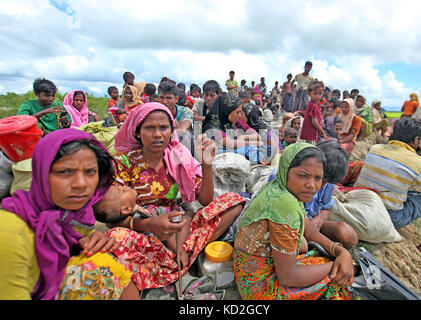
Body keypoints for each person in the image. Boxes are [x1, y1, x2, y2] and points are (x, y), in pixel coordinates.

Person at [108, 103, 246, 290]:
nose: (158, 134)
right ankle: (181, 257)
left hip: (178, 226)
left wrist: (206, 165)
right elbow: (111, 216)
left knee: (233, 200)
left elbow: (204, 201)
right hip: (143, 231)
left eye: (163, 128)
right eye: (149, 128)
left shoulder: (178, 156)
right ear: (138, 132)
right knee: (116, 237)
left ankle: (176, 255)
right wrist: (149, 225)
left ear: (171, 130)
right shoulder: (124, 162)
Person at [0, 129, 138, 300]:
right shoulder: (10, 232)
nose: (80, 184)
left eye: (90, 172)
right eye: (64, 172)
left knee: (107, 262)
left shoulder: (77, 214)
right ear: (42, 172)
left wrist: (92, 240)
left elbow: (83, 240)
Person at [233, 142, 354, 300]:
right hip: (258, 286)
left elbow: (309, 231)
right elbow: (288, 277)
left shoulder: (282, 189)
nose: (312, 185)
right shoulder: (284, 204)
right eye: (303, 175)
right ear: (286, 170)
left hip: (250, 270)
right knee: (337, 284)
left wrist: (341, 252)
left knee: (326, 261)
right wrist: (335, 267)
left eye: (318, 178)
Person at [354, 118, 421, 256]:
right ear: (416, 140)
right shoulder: (418, 163)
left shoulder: (375, 149)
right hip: (389, 216)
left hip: (363, 205)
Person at [303, 141, 358, 248]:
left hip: (311, 225)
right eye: (320, 179)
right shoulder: (297, 178)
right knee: (302, 245)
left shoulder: (328, 179)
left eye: (327, 182)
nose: (322, 186)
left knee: (348, 235)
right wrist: (335, 249)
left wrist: (319, 219)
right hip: (292, 223)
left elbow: (326, 206)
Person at [203, 93, 268, 164]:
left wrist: (244, 137)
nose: (240, 116)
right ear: (227, 110)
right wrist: (253, 143)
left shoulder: (236, 121)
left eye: (240, 112)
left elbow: (256, 135)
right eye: (237, 112)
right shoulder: (212, 125)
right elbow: (230, 143)